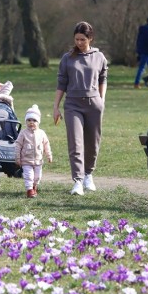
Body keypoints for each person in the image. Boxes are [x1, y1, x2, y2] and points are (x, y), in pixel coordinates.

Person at [53, 21, 108, 196]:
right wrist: (56, 107)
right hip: (73, 105)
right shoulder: (67, 58)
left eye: (83, 39)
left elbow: (103, 78)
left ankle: (88, 175)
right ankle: (77, 181)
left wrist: (102, 99)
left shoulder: (99, 57)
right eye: (76, 39)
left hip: (94, 105)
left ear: (90, 38)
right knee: (75, 143)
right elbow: (61, 83)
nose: (79, 43)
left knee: (92, 143)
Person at [15, 104, 53, 198]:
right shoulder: (23, 133)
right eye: (29, 120)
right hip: (26, 160)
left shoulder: (41, 133)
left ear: (38, 122)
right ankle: (29, 190)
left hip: (38, 160)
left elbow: (46, 144)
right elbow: (18, 145)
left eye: (34, 120)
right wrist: (17, 158)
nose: (31, 122)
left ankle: (34, 186)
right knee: (29, 176)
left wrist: (49, 155)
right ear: (26, 121)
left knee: (37, 177)